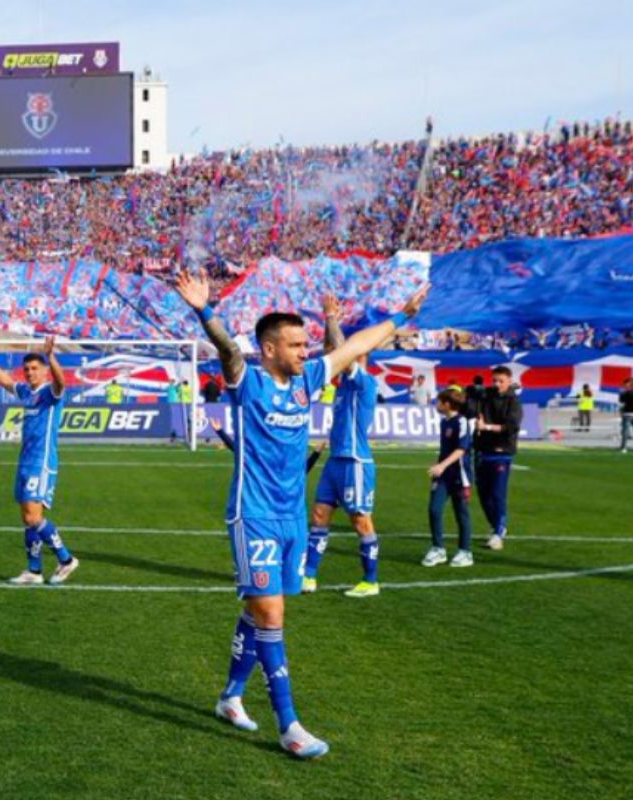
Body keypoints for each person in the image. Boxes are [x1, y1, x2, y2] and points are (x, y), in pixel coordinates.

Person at [175, 268, 427, 760]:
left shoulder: (308, 380)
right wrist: (204, 311)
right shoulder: (246, 382)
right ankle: (289, 724)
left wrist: (402, 316)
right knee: (272, 612)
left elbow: (355, 346)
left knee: (258, 609)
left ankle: (230, 696)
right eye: (294, 345)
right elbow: (228, 349)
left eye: (305, 344)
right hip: (254, 515)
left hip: (293, 519)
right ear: (269, 349)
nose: (305, 351)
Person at [0, 338, 79, 585]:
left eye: (35, 369)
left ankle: (66, 559)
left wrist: (51, 356)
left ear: (44, 371)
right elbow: (5, 381)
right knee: (27, 518)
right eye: (27, 369)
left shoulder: (50, 393)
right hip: (25, 460)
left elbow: (62, 381)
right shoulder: (26, 392)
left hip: (41, 461)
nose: (30, 373)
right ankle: (34, 571)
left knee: (34, 518)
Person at [303, 295, 381, 598]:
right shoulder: (340, 385)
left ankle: (370, 580)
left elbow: (342, 352)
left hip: (356, 462)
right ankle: (309, 576)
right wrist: (328, 322)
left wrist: (332, 317)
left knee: (360, 521)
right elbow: (329, 352)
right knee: (319, 515)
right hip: (336, 462)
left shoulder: (365, 383)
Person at [422, 389, 474, 568]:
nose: (437, 405)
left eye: (439, 402)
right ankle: (438, 549)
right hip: (443, 476)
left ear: (447, 404)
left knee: (461, 514)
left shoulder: (462, 422)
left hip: (460, 476)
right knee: (434, 509)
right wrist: (440, 465)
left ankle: (465, 552)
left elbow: (461, 449)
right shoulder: (445, 422)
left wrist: (441, 465)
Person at [474, 365, 522, 550]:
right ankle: (495, 526)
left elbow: (511, 426)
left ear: (509, 381)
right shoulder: (486, 396)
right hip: (483, 450)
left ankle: (498, 532)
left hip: (502, 453)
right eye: (494, 380)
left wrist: (487, 427)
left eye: (501, 381)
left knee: (497, 493)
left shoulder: (513, 402)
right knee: (483, 495)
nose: (497, 384)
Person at [620, 378, 633, 452]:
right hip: (628, 413)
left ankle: (624, 447)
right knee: (625, 432)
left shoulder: (625, 393)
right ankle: (623, 447)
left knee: (625, 431)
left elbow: (621, 401)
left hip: (627, 413)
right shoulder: (626, 393)